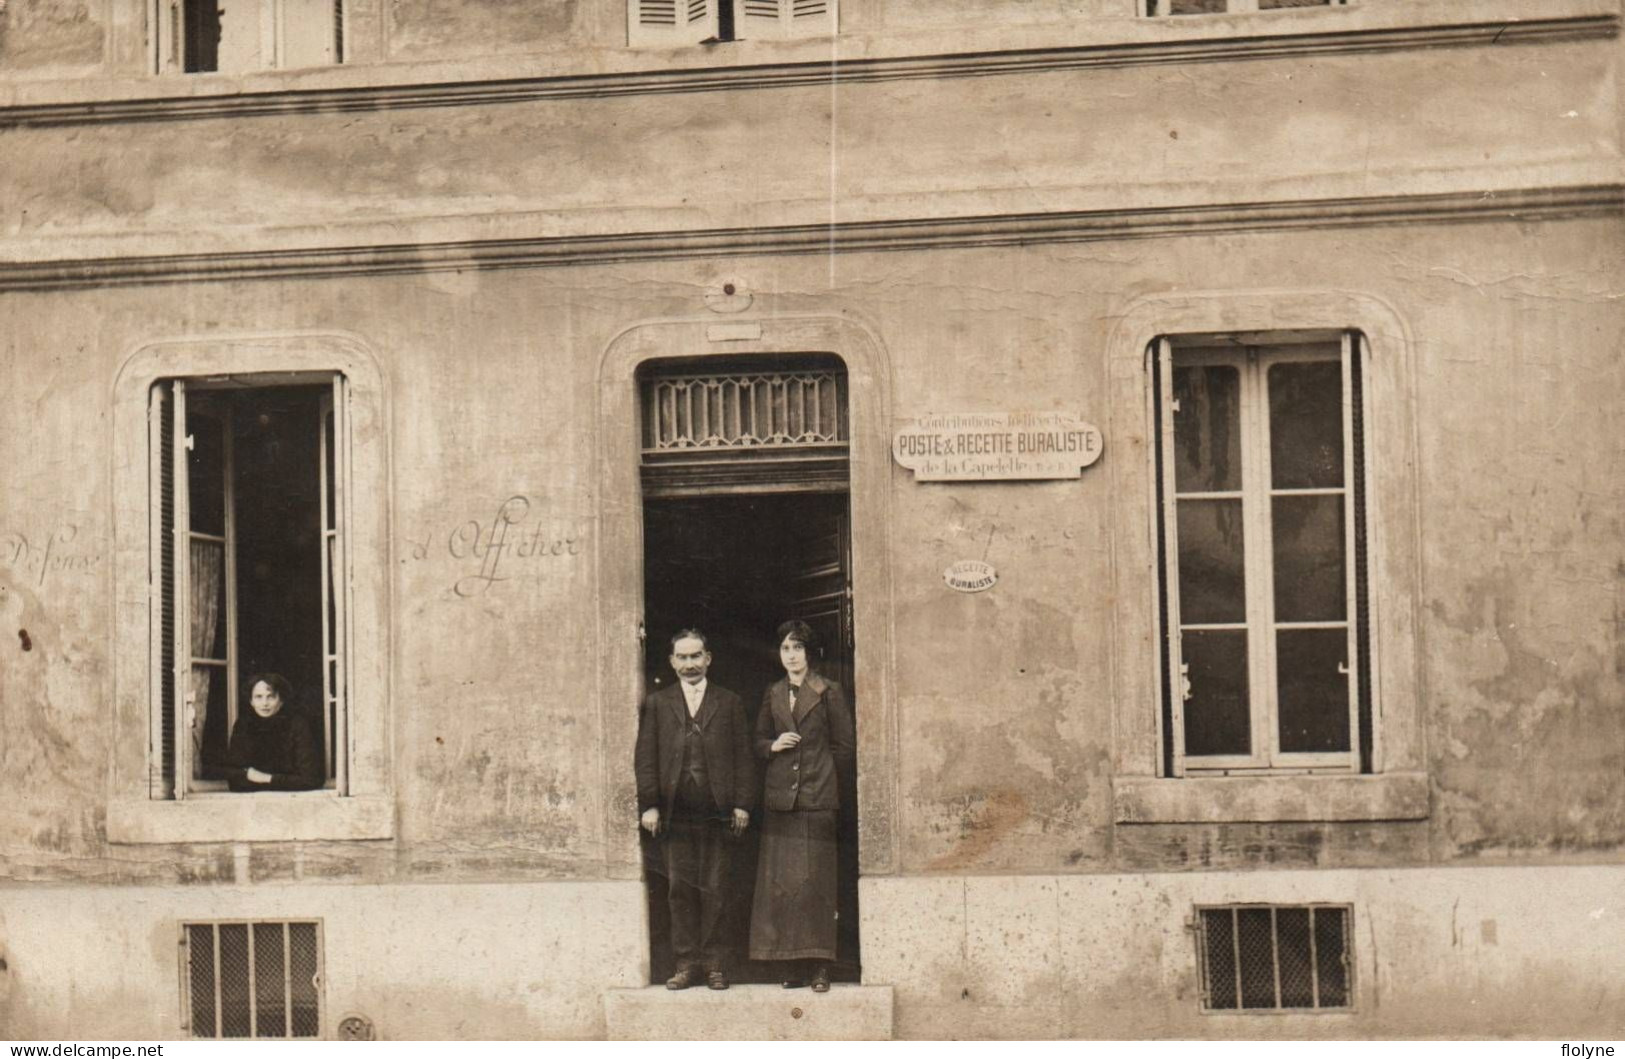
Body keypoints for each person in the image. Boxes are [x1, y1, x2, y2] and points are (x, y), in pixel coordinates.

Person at [634, 629, 756, 990]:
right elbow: (646, 759)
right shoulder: (658, 703)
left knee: (716, 887)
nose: (689, 664)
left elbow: (744, 758)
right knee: (680, 890)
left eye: (695, 656)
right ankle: (686, 963)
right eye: (682, 658)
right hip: (674, 814)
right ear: (672, 662)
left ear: (708, 658)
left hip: (717, 812)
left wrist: (742, 804)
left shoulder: (729, 701)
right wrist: (650, 805)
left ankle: (715, 963)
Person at [749, 620, 855, 992]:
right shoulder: (773, 693)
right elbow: (758, 741)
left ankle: (820, 964)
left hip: (816, 799)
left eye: (797, 648)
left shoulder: (829, 692)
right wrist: (773, 746)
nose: (791, 656)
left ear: (810, 652)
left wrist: (823, 783)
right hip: (781, 801)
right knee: (782, 886)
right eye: (785, 649)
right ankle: (790, 961)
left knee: (816, 885)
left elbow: (844, 747)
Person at [211, 673, 322, 792]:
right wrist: (284, 781)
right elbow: (236, 781)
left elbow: (310, 779)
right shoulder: (244, 725)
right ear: (251, 701)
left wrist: (264, 778)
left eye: (271, 696)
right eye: (258, 697)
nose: (264, 703)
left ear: (281, 700)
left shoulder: (297, 725)